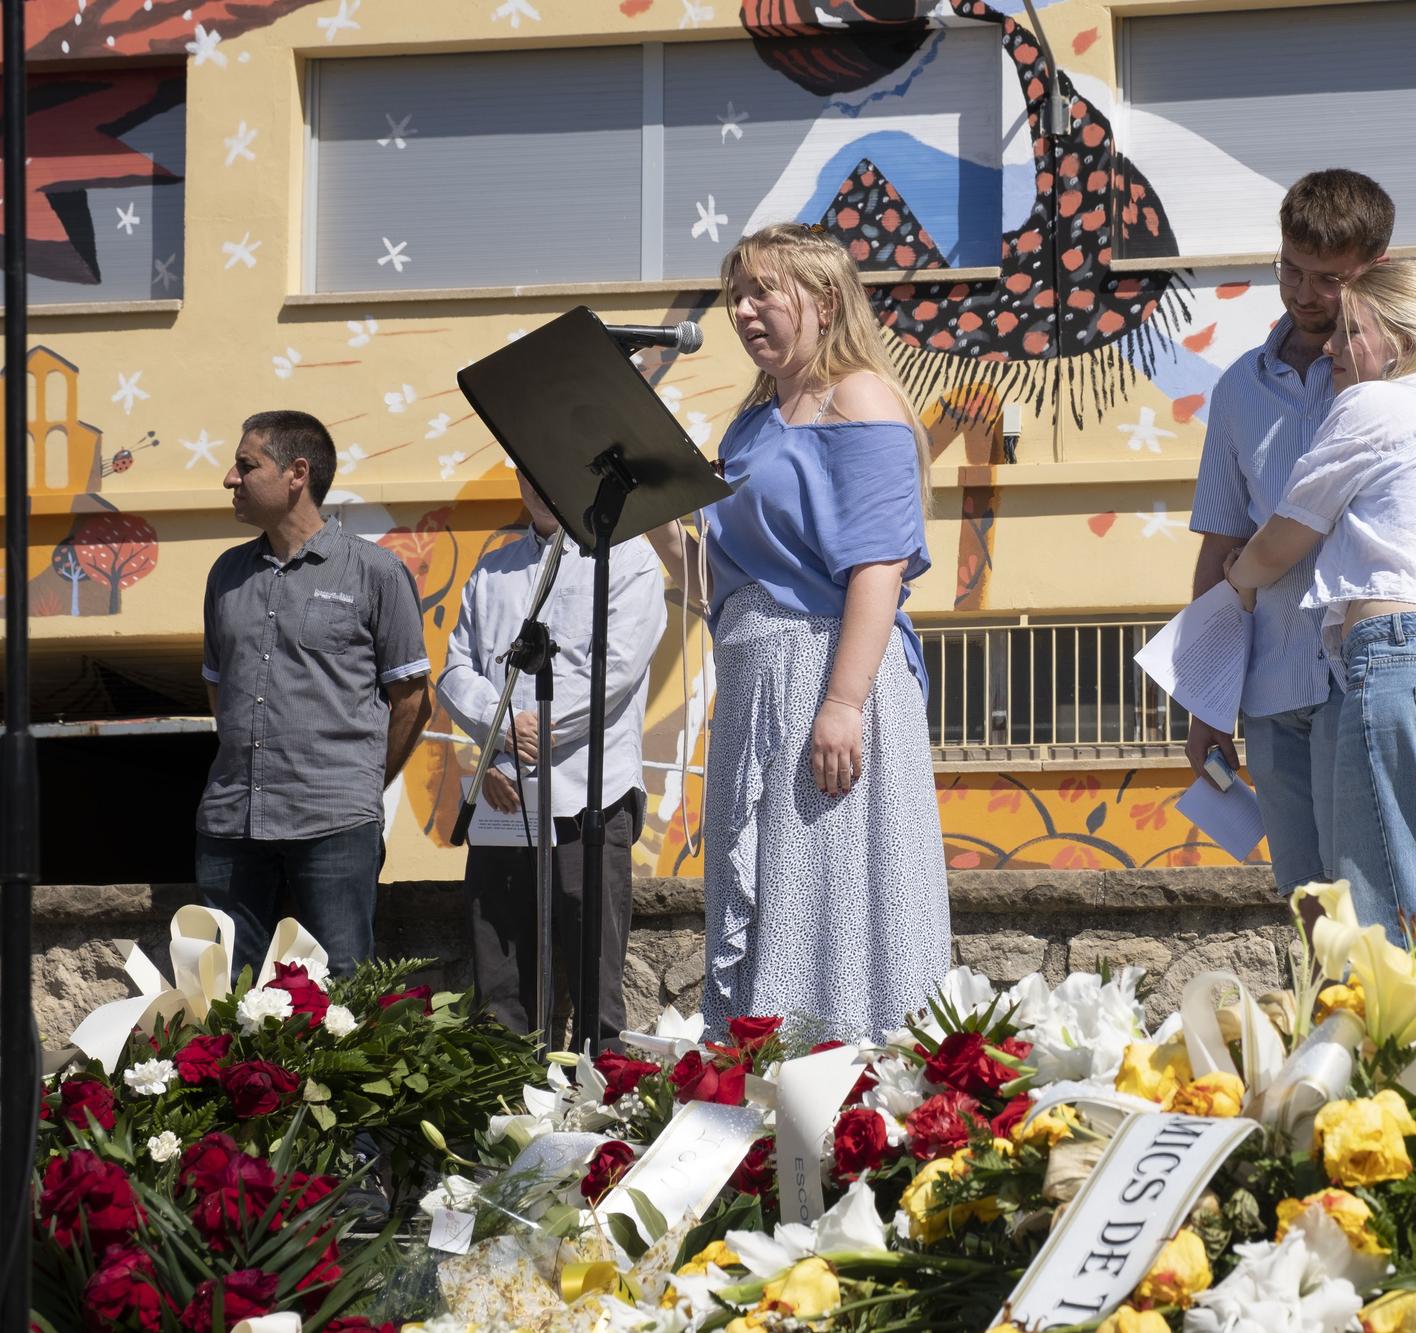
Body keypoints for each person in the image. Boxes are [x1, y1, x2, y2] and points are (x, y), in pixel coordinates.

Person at [1187, 169, 1416, 897]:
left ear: (1375, 271)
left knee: (1372, 905)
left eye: (1328, 279)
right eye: (1289, 268)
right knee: (1311, 905)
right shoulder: (1237, 390)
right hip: (1276, 685)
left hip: (1367, 677)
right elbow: (1220, 542)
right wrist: (1205, 698)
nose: (1301, 293)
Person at [659, 221, 949, 1042]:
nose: (745, 311)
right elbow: (716, 582)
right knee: (775, 888)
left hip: (829, 674)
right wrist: (648, 511)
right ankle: (764, 1073)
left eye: (763, 292)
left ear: (823, 298)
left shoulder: (859, 397)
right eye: (736, 296)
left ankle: (853, 1072)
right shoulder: (751, 426)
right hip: (757, 683)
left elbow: (879, 565)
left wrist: (844, 703)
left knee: (832, 892)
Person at [197, 410, 431, 976]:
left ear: (297, 473)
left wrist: (358, 785)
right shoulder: (226, 574)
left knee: (344, 991)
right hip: (232, 823)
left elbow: (413, 700)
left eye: (246, 465)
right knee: (223, 994)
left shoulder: (375, 572)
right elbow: (218, 692)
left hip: (335, 824)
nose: (231, 478)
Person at [437, 472, 666, 1047]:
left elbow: (614, 670)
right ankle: (503, 1115)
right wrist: (503, 726)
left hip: (588, 794)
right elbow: (455, 670)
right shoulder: (492, 568)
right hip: (502, 797)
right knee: (501, 986)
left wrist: (536, 729)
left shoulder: (627, 559)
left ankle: (601, 1117)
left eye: (547, 467)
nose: (537, 481)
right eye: (524, 470)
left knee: (596, 985)